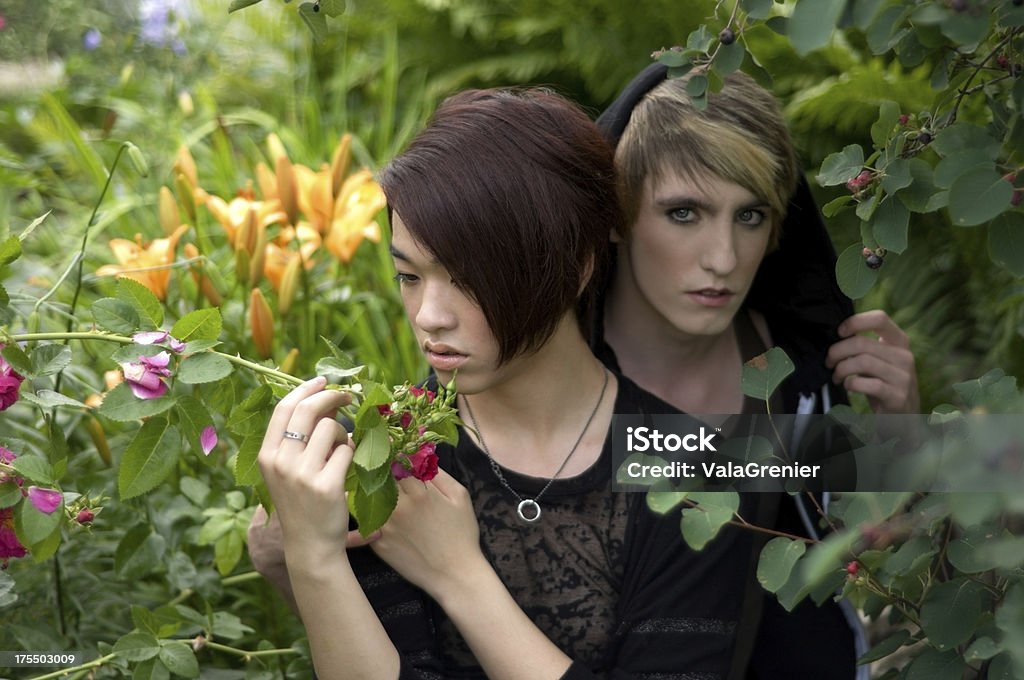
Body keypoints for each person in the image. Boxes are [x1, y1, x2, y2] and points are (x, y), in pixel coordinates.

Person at [255, 87, 755, 679]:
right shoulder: (392, 456)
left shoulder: (697, 472)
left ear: (575, 266)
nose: (428, 315)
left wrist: (459, 576)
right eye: (408, 275)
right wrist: (310, 559)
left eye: (467, 279)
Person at [594, 63, 920, 679]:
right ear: (614, 215)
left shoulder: (799, 369)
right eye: (684, 213)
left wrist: (903, 429)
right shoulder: (547, 376)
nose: (724, 259)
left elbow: (884, 544)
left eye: (750, 216)